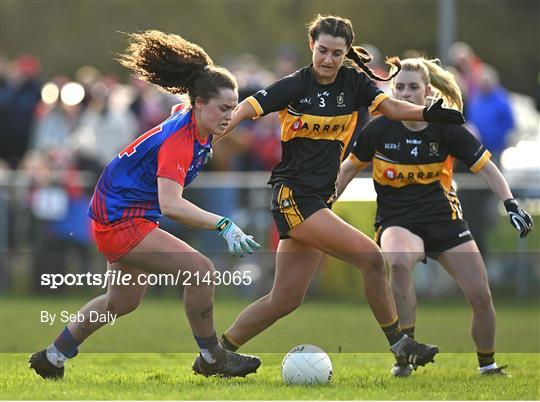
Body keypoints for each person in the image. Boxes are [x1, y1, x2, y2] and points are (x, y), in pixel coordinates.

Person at [194, 15, 465, 374]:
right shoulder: (294, 85)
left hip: (316, 201)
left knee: (285, 299)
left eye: (337, 53)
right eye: (322, 50)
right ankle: (401, 345)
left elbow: (392, 108)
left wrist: (427, 112)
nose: (328, 59)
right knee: (370, 257)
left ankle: (215, 356)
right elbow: (246, 108)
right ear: (312, 47)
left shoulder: (355, 83)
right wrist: (206, 139)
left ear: (346, 53)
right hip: (292, 196)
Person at [28, 30, 261, 380]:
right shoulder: (180, 140)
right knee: (200, 271)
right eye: (224, 108)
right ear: (199, 104)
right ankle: (214, 358)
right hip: (120, 219)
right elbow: (172, 205)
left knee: (121, 303)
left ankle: (52, 356)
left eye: (234, 107)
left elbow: (177, 110)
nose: (231, 116)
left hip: (117, 213)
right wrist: (223, 224)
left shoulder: (192, 117)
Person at [335, 57, 533, 377]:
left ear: (427, 91)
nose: (406, 93)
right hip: (397, 219)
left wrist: (510, 203)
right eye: (400, 87)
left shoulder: (446, 126)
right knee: (398, 262)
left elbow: (487, 167)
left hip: (444, 219)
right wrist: (322, 207)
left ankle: (488, 364)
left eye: (413, 87)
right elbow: (346, 170)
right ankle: (406, 356)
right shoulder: (379, 127)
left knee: (481, 296)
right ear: (392, 89)